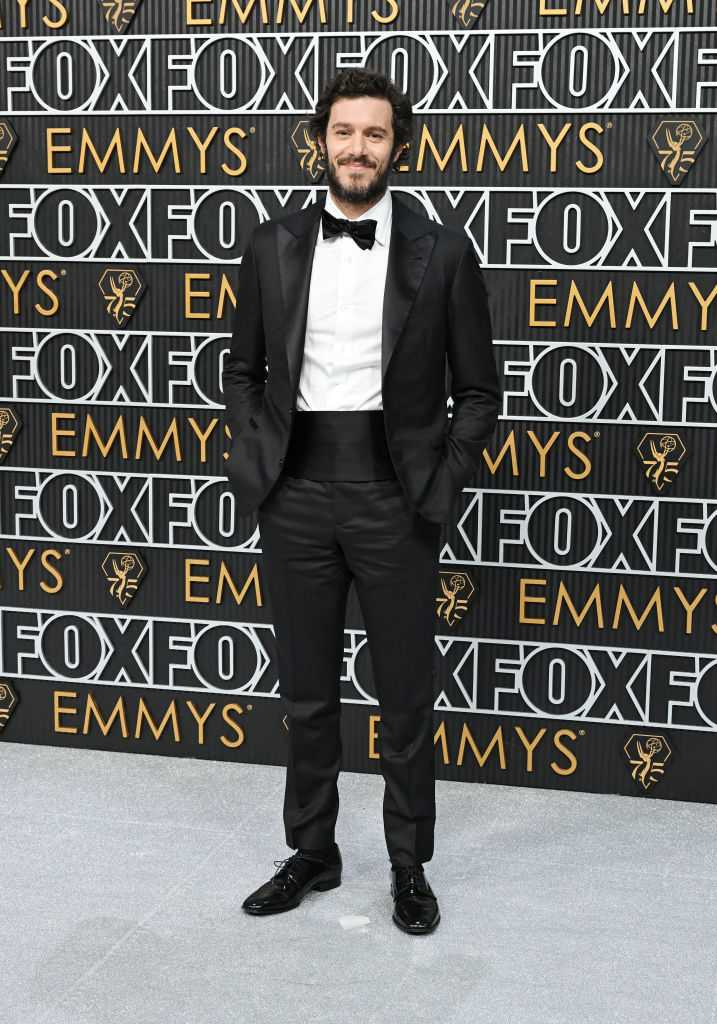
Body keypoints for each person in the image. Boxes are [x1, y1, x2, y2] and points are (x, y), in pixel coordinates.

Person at [222, 68, 500, 935]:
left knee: (405, 696)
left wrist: (441, 480)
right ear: (320, 141)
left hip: (395, 497)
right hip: (295, 492)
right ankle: (313, 851)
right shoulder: (270, 243)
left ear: (397, 147)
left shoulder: (441, 251)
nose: (356, 148)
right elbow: (242, 370)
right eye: (343, 132)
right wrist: (259, 459)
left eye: (373, 134)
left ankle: (408, 866)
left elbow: (478, 390)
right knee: (307, 693)